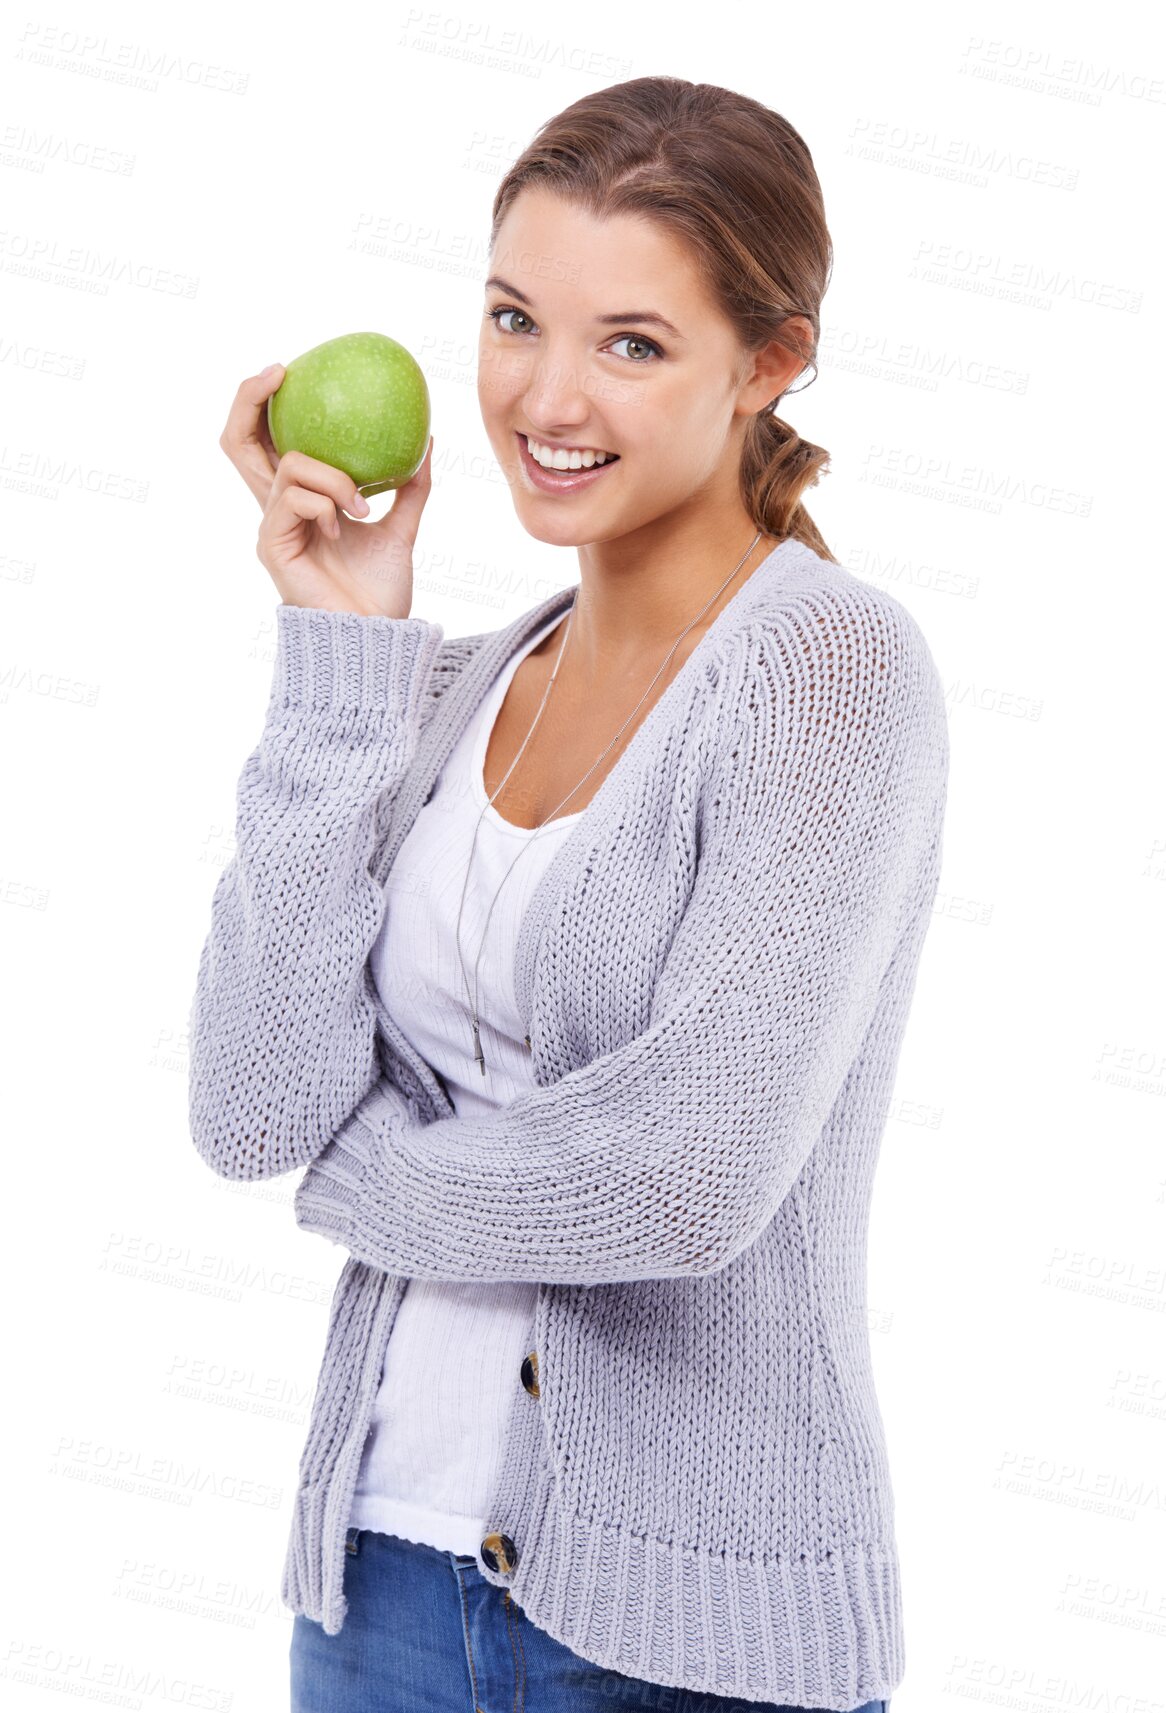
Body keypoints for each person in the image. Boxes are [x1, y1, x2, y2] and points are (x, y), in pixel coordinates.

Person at [190, 74, 948, 1713]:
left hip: (692, 1637)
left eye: (630, 342)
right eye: (513, 317)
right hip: (376, 1585)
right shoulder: (450, 687)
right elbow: (255, 1104)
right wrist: (345, 655)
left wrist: (363, 1179)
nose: (545, 395)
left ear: (769, 364)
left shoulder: (828, 670)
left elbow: (682, 1179)